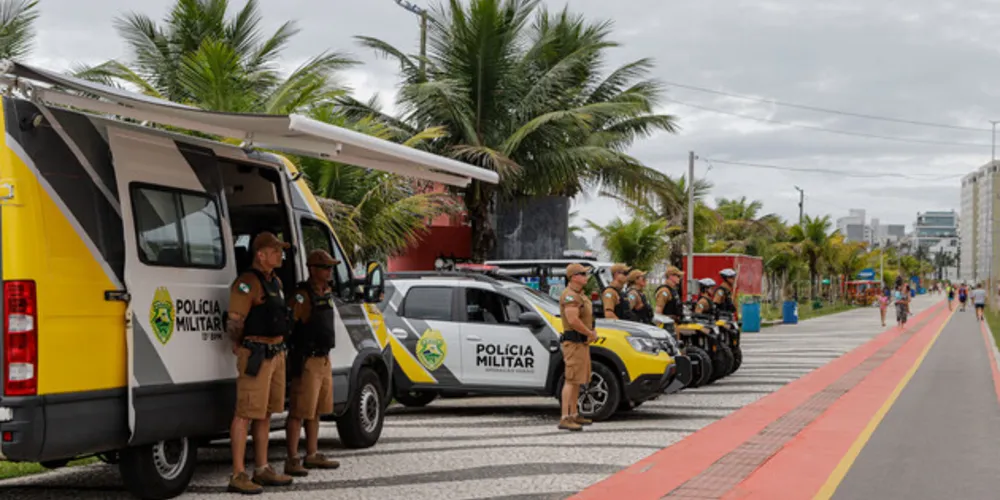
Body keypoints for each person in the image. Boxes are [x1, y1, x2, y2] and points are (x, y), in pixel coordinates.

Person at [225, 232, 295, 494]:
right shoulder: (246, 283)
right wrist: (239, 344)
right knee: (244, 413)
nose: (280, 254)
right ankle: (238, 473)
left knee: (265, 412)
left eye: (280, 250)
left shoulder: (275, 281)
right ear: (260, 254)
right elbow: (235, 319)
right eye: (275, 250)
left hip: (276, 352)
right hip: (256, 353)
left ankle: (262, 468)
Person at [284, 250, 343, 477]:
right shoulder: (302, 295)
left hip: (324, 357)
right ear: (313, 269)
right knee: (299, 410)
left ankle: (311, 453)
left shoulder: (326, 292)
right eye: (326, 268)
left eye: (330, 268)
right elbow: (290, 325)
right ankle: (292, 458)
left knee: (315, 410)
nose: (330, 272)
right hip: (307, 358)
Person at [558, 263, 598, 431]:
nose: (586, 277)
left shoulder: (580, 295)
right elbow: (573, 320)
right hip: (574, 343)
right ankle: (565, 417)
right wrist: (589, 332)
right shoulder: (570, 296)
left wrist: (590, 332)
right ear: (574, 277)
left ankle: (574, 413)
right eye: (582, 274)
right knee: (571, 379)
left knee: (578, 380)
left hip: (581, 343)